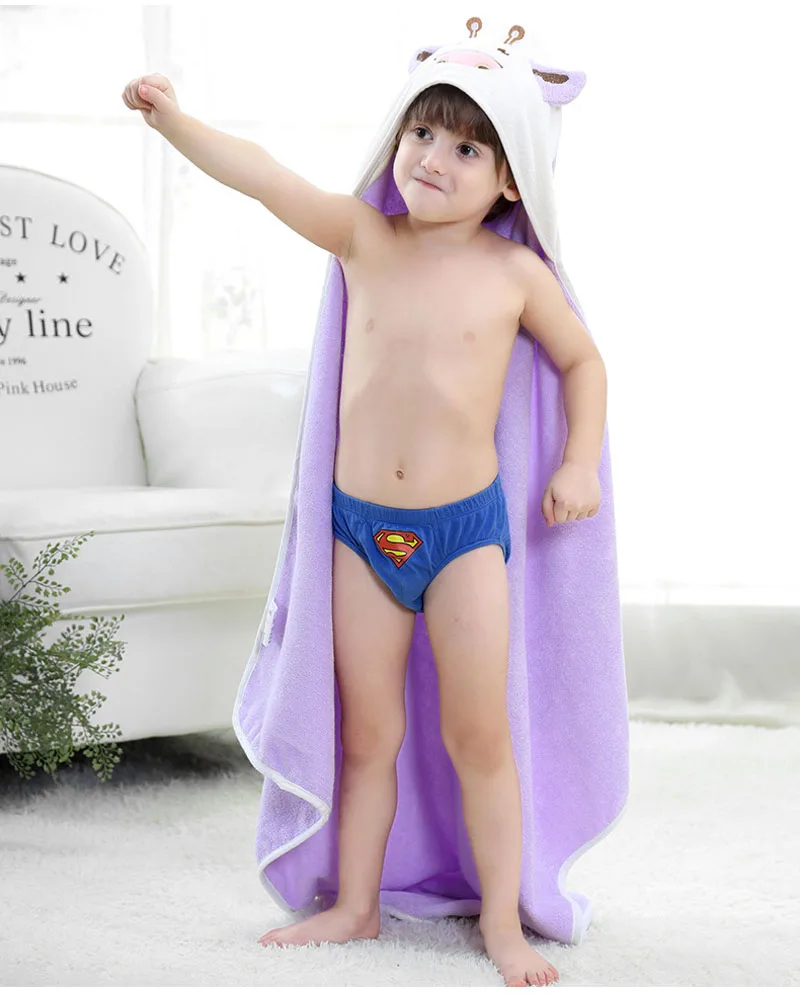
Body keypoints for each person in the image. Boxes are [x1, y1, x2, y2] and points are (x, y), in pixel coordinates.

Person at [122, 47, 607, 987]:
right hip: (361, 532)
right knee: (368, 733)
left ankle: (502, 921)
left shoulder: (517, 274)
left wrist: (577, 461)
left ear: (512, 180)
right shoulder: (362, 236)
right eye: (421, 132)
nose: (433, 157)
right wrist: (173, 120)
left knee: (478, 734)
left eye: (467, 149)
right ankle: (354, 904)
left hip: (462, 536)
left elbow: (584, 362)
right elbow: (264, 176)